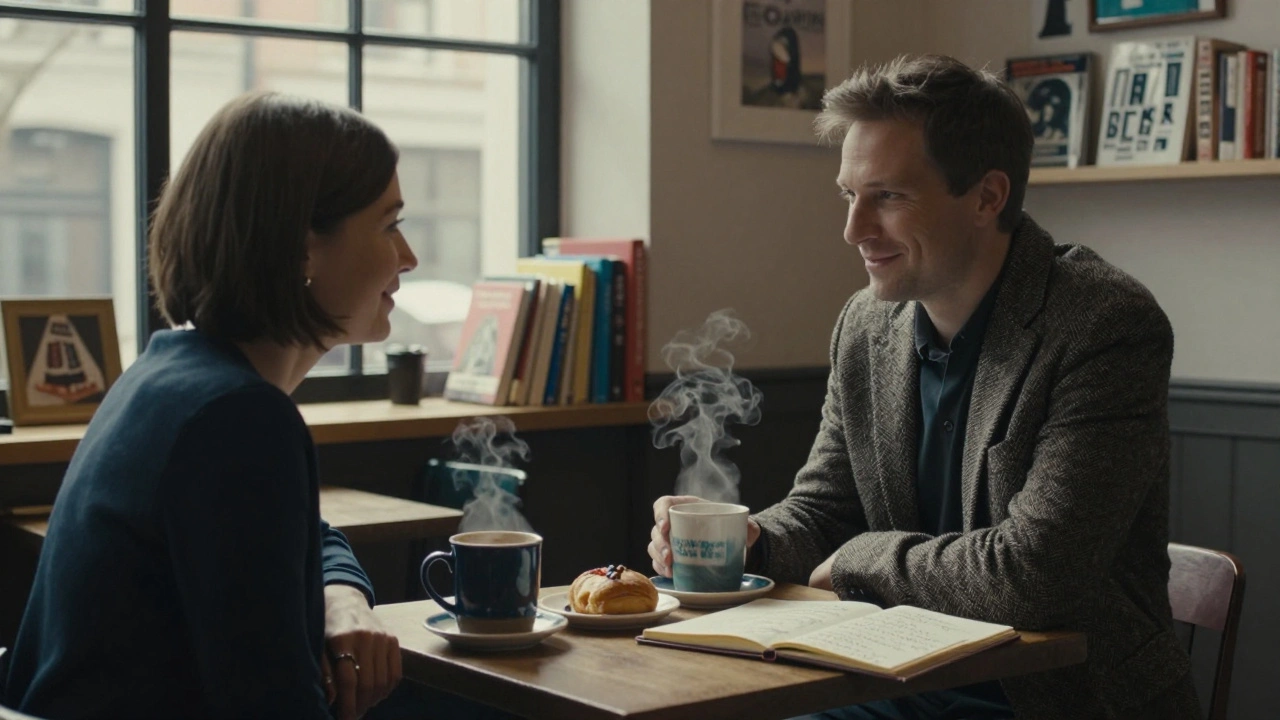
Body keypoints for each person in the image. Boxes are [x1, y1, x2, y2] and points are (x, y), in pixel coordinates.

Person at [649, 55, 1200, 719]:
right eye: (850, 195)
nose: (854, 230)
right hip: (899, 679)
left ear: (987, 198)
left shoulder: (1104, 325)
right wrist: (753, 544)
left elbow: (1035, 575)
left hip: (1054, 700)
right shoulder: (865, 325)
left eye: (888, 196)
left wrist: (863, 559)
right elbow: (827, 510)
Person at [3, 92, 414, 719]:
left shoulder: (172, 376)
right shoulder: (237, 419)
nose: (408, 258)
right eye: (389, 225)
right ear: (303, 248)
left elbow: (301, 534)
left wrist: (341, 596)